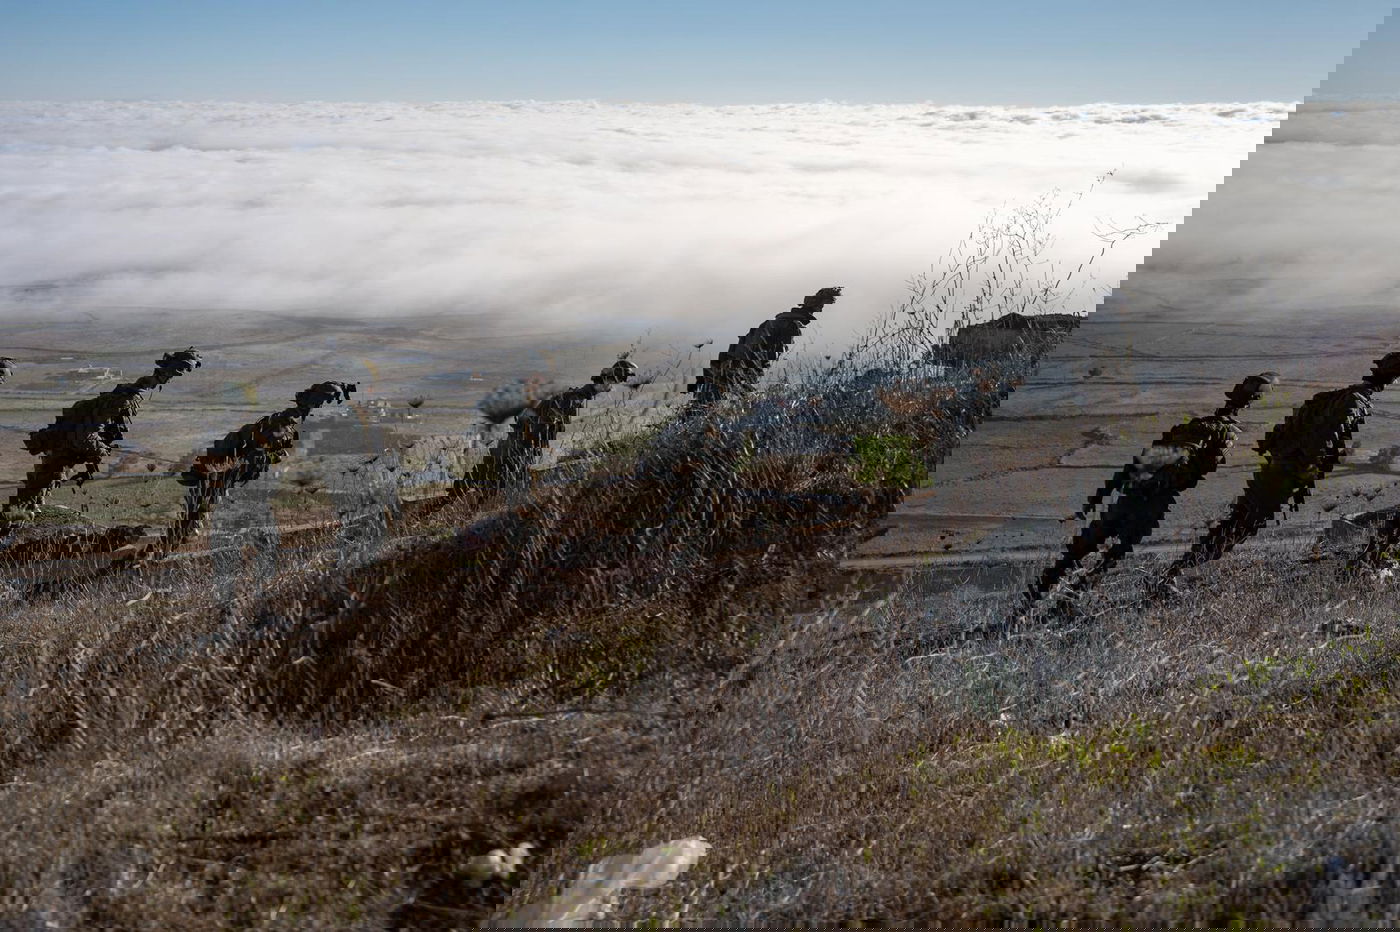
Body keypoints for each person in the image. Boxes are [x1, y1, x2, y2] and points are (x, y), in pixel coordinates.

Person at [1015, 372, 1280, 619]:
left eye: (1245, 395)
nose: (1239, 399)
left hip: (1149, 495)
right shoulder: (1208, 428)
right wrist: (1107, 493)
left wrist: (1151, 482)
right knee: (1093, 550)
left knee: (1100, 552)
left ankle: (1050, 606)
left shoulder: (1214, 430)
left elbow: (1187, 467)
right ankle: (1038, 607)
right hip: (1145, 494)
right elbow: (1156, 460)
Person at [1159, 352, 1400, 590]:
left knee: (1240, 522)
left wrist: (1279, 453)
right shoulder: (1357, 401)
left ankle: (1178, 571)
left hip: (1280, 465)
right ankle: (1176, 573)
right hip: (1290, 472)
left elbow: (1287, 427)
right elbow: (1324, 441)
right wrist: (1308, 468)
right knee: (1243, 524)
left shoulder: (1337, 395)